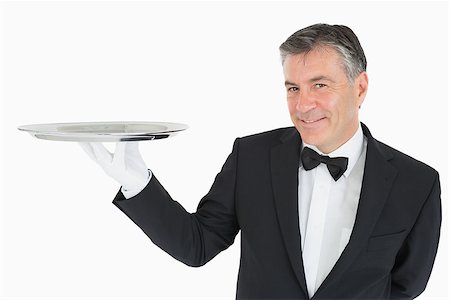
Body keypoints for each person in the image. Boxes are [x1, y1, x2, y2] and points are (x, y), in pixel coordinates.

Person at [80, 24, 441, 299]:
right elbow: (198, 245)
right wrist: (138, 182)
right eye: (293, 88)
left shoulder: (417, 183)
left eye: (320, 85)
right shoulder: (251, 157)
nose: (302, 105)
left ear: (359, 87)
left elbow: (406, 286)